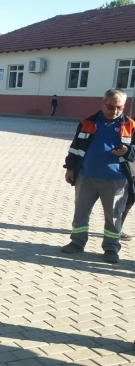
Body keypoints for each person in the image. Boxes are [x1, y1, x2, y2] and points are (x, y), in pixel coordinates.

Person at [62, 88, 135, 263]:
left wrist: (127, 150)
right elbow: (75, 146)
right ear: (102, 103)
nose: (115, 111)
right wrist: (70, 168)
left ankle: (111, 248)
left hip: (116, 179)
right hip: (86, 176)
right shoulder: (88, 121)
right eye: (110, 106)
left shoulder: (130, 125)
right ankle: (77, 242)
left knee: (114, 216)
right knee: (81, 213)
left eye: (119, 107)